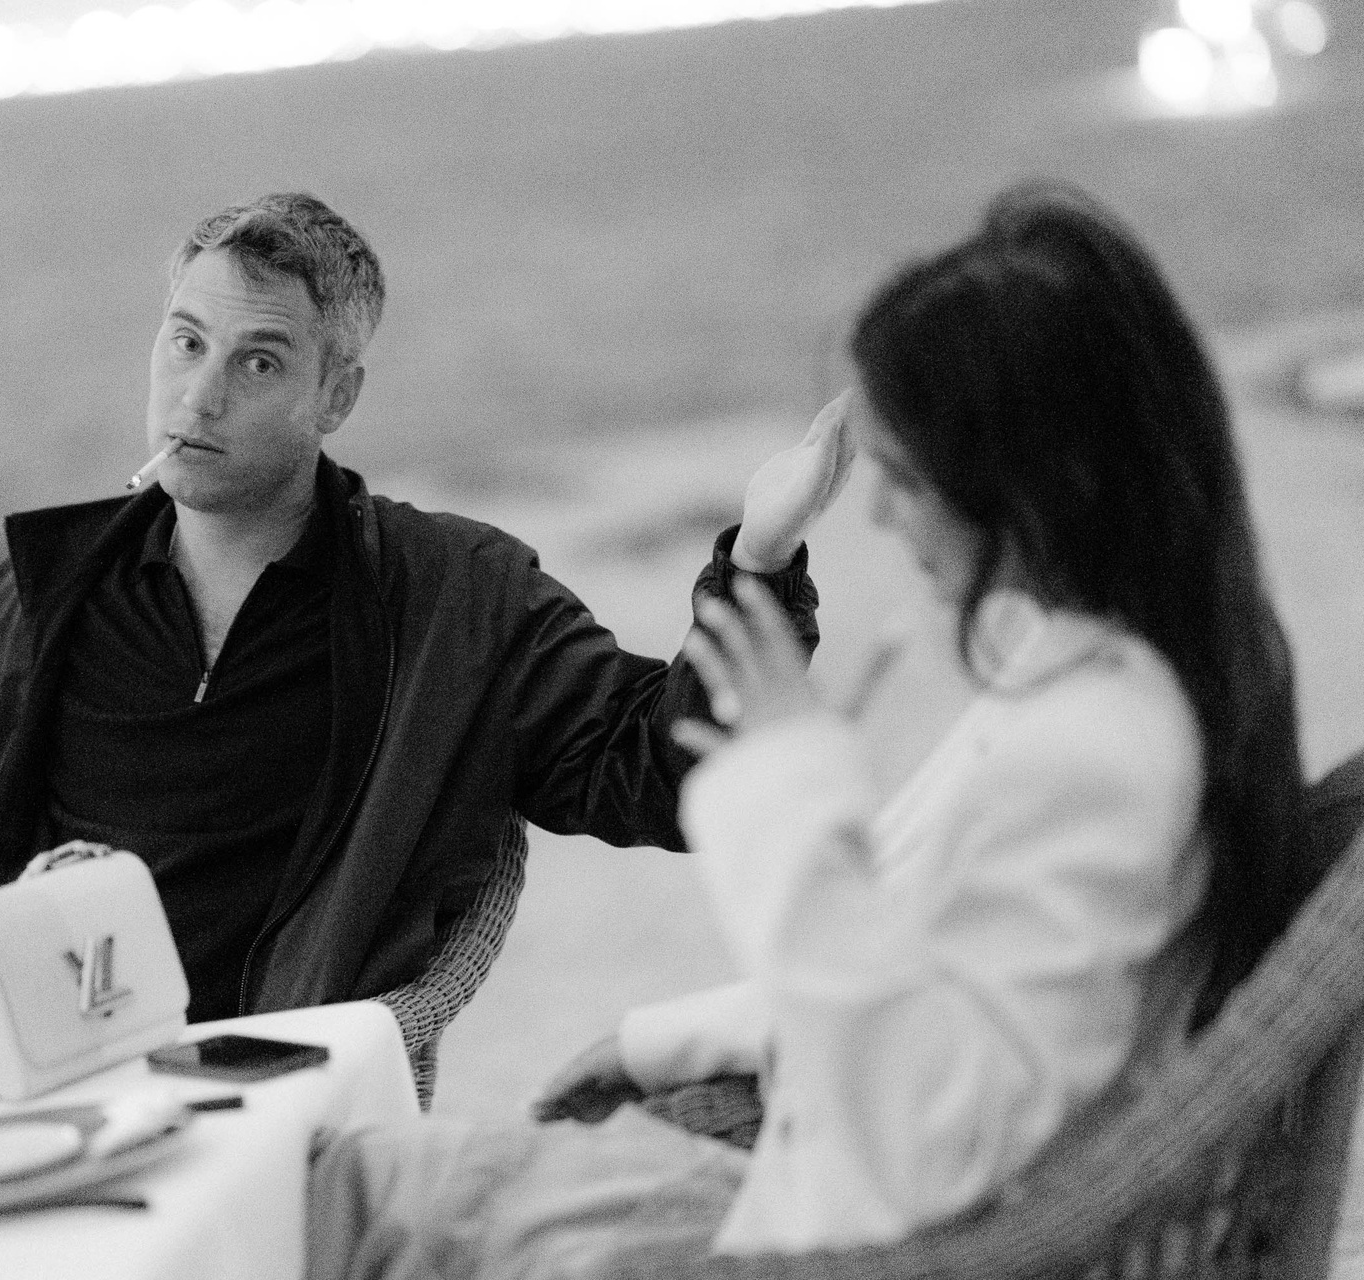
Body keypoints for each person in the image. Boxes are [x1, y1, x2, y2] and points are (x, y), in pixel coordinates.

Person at [0, 192, 846, 1066]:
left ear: (336, 396)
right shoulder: (51, 597)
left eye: (259, 361)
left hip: (257, 1095)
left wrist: (761, 559)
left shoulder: (453, 602)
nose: (200, 394)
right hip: (11, 1082)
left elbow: (657, 773)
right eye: (184, 342)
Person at [304, 183, 1312, 1273]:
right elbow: (932, 996)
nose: (878, 513)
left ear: (1037, 487)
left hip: (826, 1247)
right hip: (800, 1197)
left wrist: (796, 786)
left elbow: (923, 1132)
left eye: (909, 480)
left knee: (330, 1202)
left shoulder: (1096, 755)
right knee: (345, 1179)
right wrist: (662, 1040)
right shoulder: (1104, 686)